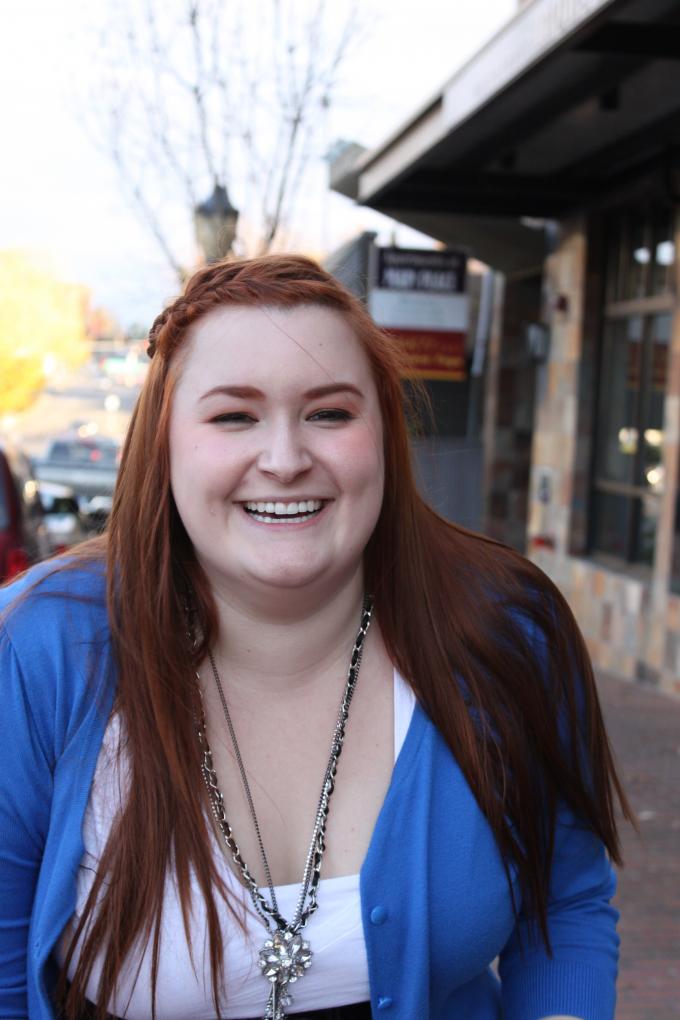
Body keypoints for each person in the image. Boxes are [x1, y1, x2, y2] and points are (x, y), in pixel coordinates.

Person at [0, 254, 632, 1020]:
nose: (286, 459)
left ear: (385, 434)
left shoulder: (506, 630)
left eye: (330, 413)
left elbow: (560, 904)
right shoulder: (46, 646)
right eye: (234, 416)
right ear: (164, 442)